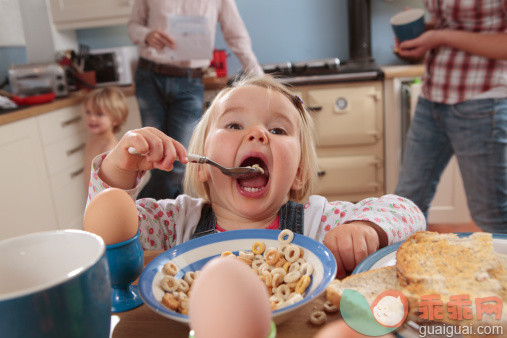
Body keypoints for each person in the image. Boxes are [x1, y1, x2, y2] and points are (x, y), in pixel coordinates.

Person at [87, 75, 426, 278]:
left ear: (298, 174)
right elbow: (106, 237)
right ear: (201, 163)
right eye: (234, 125)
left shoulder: (319, 222)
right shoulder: (174, 223)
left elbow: (407, 213)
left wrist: (364, 230)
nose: (257, 134)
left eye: (277, 129)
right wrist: (118, 171)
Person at [127, 0, 263, 200]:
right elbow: (133, 27)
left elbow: (237, 36)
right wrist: (146, 35)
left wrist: (259, 79)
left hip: (189, 82)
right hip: (149, 78)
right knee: (155, 158)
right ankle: (173, 223)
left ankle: (138, 213)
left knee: (179, 165)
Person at [394, 0, 507, 233]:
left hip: (482, 101)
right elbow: (461, 20)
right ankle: (405, 266)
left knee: (492, 215)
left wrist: (440, 37)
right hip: (432, 96)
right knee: (406, 203)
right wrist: (425, 31)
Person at [83, 86, 128, 189]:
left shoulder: (110, 147)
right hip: (93, 198)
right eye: (88, 112)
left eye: (99, 114)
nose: (92, 118)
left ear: (116, 119)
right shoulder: (94, 138)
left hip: (105, 199)